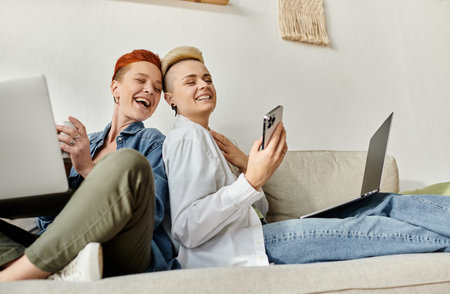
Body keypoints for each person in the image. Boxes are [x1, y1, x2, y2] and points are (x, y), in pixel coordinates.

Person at [160, 46, 450, 269]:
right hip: (246, 248)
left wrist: (247, 166)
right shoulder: (187, 137)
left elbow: (258, 208)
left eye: (207, 78)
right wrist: (251, 179)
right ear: (170, 98)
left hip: (258, 235)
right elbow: (188, 229)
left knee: (380, 202)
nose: (204, 85)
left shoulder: (215, 140)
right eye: (191, 81)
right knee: (377, 226)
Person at [0, 49, 180, 281]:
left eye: (157, 88)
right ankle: (50, 273)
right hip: (65, 251)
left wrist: (87, 168)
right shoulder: (85, 141)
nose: (150, 90)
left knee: (127, 162)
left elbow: (151, 214)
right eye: (140, 80)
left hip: (119, 250)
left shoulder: (154, 143)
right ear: (115, 87)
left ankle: (10, 279)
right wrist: (48, 175)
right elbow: (51, 227)